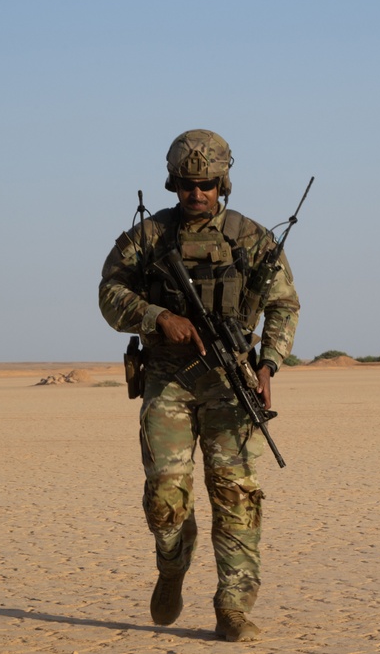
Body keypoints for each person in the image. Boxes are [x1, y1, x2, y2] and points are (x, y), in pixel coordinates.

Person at [98, 129, 299, 641]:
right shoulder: (149, 238)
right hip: (167, 378)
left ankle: (232, 606)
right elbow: (109, 293)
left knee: (237, 495)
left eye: (206, 183)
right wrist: (157, 316)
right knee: (166, 499)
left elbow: (283, 305)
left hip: (229, 382)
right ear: (173, 184)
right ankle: (172, 564)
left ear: (222, 181)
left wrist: (268, 365)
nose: (197, 194)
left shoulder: (249, 237)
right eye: (188, 184)